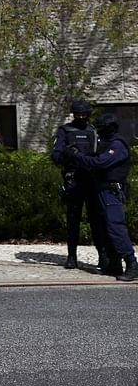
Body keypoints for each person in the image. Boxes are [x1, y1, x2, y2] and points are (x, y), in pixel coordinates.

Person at [66, 113, 136, 282]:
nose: (98, 132)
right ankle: (114, 264)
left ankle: (132, 264)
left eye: (100, 129)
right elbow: (95, 158)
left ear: (109, 128)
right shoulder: (108, 143)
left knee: (115, 227)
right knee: (104, 229)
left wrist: (77, 155)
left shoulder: (118, 145)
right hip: (102, 191)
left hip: (111, 192)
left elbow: (101, 162)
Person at [50, 100, 113, 273]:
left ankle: (102, 255)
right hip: (74, 179)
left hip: (93, 179)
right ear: (73, 114)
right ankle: (72, 256)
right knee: (73, 219)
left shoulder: (93, 130)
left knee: (97, 219)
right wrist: (68, 155)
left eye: (84, 114)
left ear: (88, 115)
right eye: (78, 114)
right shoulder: (65, 130)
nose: (81, 117)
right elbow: (56, 156)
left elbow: (104, 151)